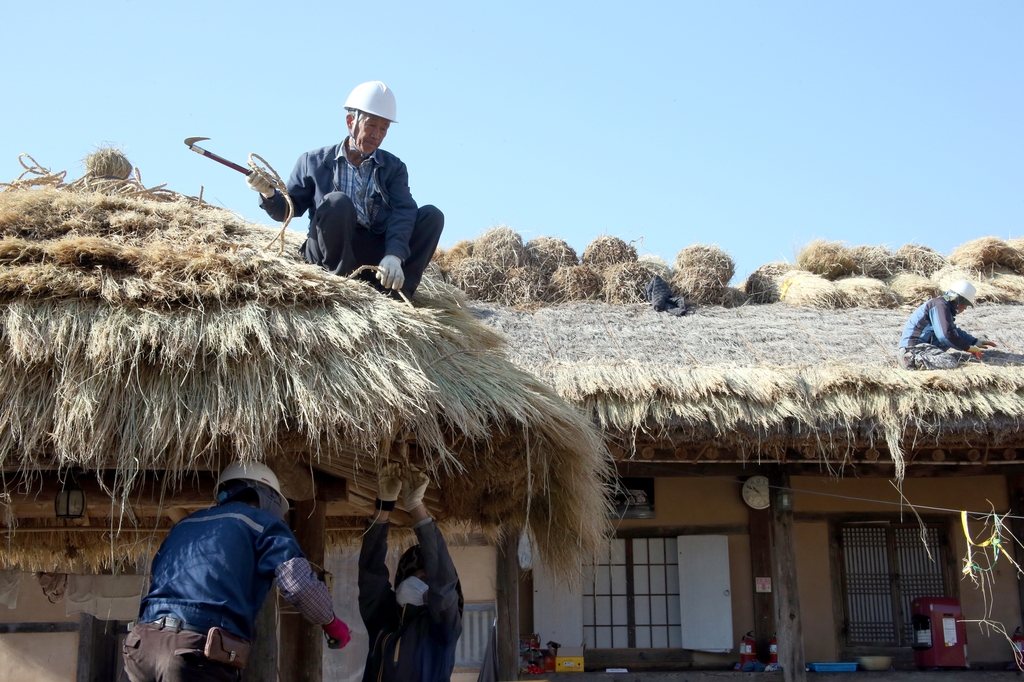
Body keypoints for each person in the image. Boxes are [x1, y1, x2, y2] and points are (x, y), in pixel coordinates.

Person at [123, 462, 351, 682]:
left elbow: (156, 577)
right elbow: (299, 585)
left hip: (142, 647)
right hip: (192, 653)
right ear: (267, 497)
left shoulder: (183, 525)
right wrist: (331, 623)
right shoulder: (264, 524)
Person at [248, 80, 444, 298]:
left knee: (432, 216)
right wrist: (268, 193)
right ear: (351, 121)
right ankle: (341, 288)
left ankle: (397, 295)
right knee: (337, 202)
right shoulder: (312, 162)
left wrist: (394, 255)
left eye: (383, 129)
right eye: (371, 125)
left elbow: (404, 211)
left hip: (372, 254)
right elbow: (287, 210)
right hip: (328, 253)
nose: (377, 135)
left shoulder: (393, 168)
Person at [359, 464, 463, 682]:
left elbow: (443, 583)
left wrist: (416, 506)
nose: (417, 579)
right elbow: (370, 572)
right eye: (413, 574)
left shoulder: (442, 630)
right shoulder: (384, 619)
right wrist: (384, 506)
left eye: (425, 576)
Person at [898, 280, 996, 370]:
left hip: (919, 350)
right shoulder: (939, 305)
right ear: (959, 301)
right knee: (950, 362)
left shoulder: (942, 306)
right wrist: (967, 348)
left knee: (956, 357)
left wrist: (975, 341)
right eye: (966, 304)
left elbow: (953, 331)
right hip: (912, 352)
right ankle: (916, 362)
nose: (965, 308)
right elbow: (945, 335)